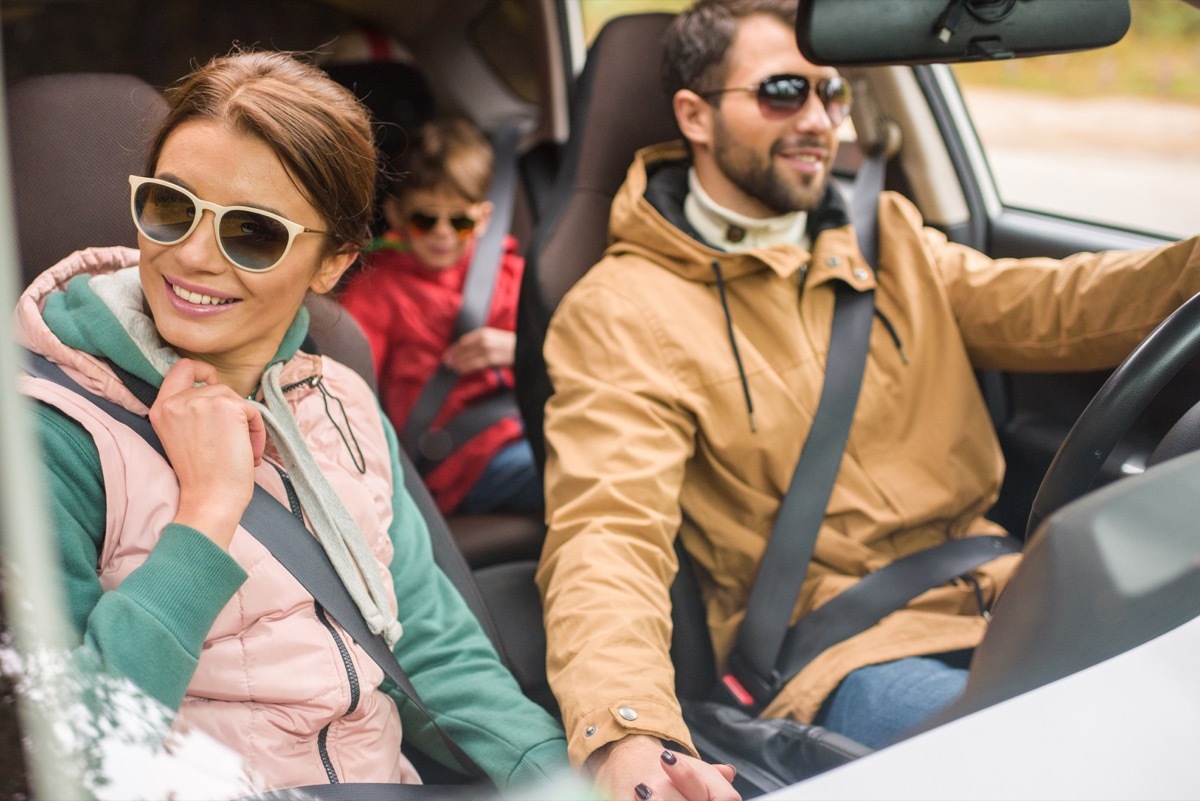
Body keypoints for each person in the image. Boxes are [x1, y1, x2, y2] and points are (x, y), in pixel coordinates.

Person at [534, 1, 1200, 799]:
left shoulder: (884, 234)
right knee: (1093, 766)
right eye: (784, 91)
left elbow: (1062, 304)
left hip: (1013, 591)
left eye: (834, 93)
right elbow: (607, 532)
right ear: (695, 115)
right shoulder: (620, 310)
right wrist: (629, 731)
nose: (820, 119)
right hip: (849, 649)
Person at [15, 50, 567, 794]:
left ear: (333, 262)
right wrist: (206, 515)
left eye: (253, 233)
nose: (193, 256)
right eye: (170, 207)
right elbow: (76, 755)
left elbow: (432, 652)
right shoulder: (43, 430)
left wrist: (565, 780)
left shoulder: (339, 395)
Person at [339, 116, 541, 517]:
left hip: (530, 426)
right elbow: (349, 386)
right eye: (425, 220)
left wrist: (517, 350)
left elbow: (571, 355)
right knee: (568, 473)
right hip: (456, 462)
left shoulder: (510, 275)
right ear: (396, 216)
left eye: (460, 221)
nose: (443, 233)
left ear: (483, 218)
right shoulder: (379, 291)